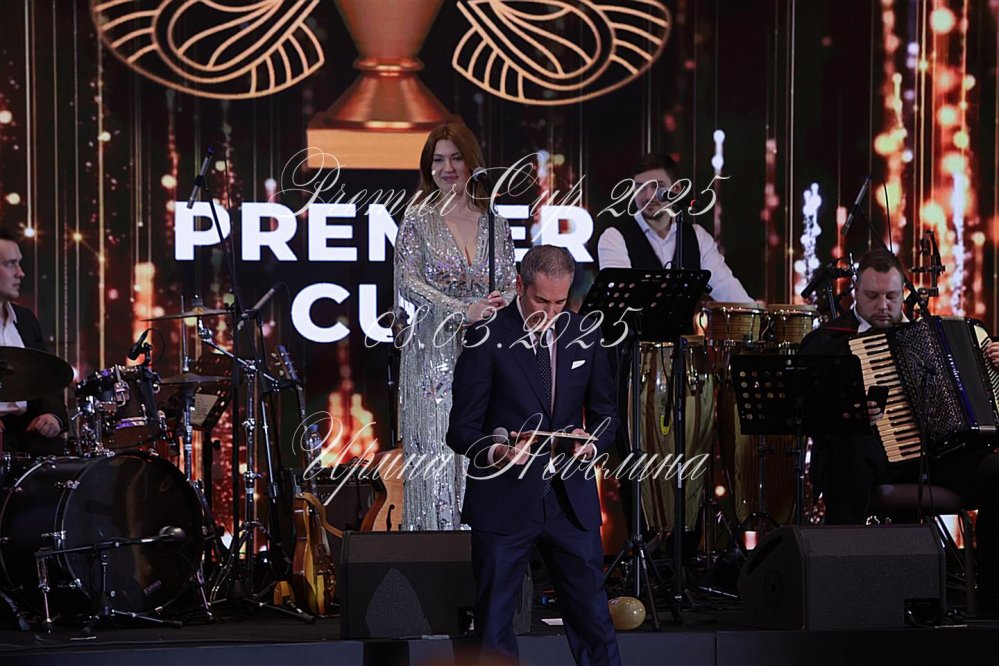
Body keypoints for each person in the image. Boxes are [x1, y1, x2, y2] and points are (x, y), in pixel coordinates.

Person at [447, 246, 621, 665]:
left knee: (594, 621)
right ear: (520, 286)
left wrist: (591, 442)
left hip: (570, 502)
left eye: (561, 302)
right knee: (494, 624)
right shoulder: (486, 336)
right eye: (542, 301)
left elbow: (607, 415)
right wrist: (497, 451)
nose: (552, 312)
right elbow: (461, 430)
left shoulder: (585, 333)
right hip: (504, 500)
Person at [799, 248, 999, 604]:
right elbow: (808, 416)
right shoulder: (827, 343)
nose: (883, 306)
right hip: (868, 459)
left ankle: (991, 597)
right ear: (855, 292)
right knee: (851, 449)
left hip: (939, 459)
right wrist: (851, 414)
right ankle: (842, 589)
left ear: (903, 292)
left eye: (891, 296)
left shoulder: (932, 334)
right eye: (872, 296)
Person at [394, 122, 517, 531]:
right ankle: (436, 549)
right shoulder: (418, 219)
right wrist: (463, 310)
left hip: (486, 352)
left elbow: (511, 283)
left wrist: (498, 303)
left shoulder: (496, 223)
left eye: (456, 158)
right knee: (438, 452)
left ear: (471, 162)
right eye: (438, 160)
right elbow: (407, 283)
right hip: (433, 354)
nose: (447, 169)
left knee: (484, 444)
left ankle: (487, 553)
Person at [596, 152, 751, 301]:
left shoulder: (697, 236)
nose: (648, 196)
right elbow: (620, 296)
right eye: (640, 187)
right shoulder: (614, 238)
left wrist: (756, 313)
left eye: (657, 186)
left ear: (676, 189)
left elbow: (727, 289)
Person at [0, 228, 68, 456]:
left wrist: (53, 415)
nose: (21, 273)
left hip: (27, 432)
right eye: (11, 264)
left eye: (19, 264)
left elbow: (47, 377)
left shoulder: (26, 320)